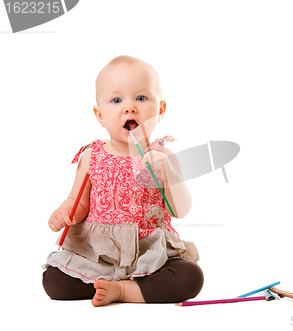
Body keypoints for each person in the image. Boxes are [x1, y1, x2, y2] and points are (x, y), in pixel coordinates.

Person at [42, 55, 203, 307]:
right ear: (100, 115)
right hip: (100, 253)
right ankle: (109, 283)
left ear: (160, 110)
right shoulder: (91, 156)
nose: (129, 108)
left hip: (149, 250)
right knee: (54, 281)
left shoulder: (162, 156)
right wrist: (65, 212)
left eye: (141, 98)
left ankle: (124, 290)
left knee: (189, 277)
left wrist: (169, 174)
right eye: (116, 100)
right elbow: (77, 201)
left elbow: (181, 210)